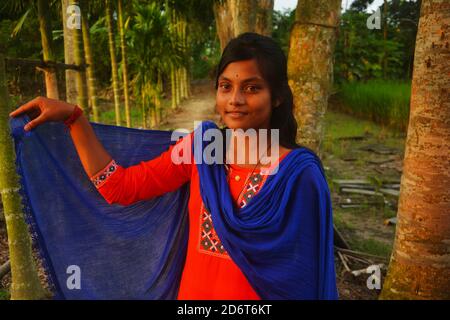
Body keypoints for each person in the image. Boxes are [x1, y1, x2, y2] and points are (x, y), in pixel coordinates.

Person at [10, 32, 338, 300]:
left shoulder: (297, 174)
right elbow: (120, 186)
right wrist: (74, 119)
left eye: (252, 88)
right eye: (226, 87)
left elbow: (305, 274)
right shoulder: (202, 150)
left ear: (277, 96)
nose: (235, 99)